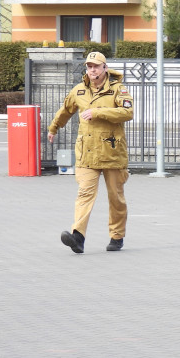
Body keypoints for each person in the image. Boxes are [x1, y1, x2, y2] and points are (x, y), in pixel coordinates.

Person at [47, 51, 134, 253]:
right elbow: (65, 110)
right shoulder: (79, 91)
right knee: (84, 194)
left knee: (116, 198)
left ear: (105, 68)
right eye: (89, 66)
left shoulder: (118, 90)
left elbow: (127, 113)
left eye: (96, 66)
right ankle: (78, 236)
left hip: (112, 153)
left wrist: (98, 112)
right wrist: (53, 128)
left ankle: (117, 236)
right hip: (86, 153)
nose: (92, 69)